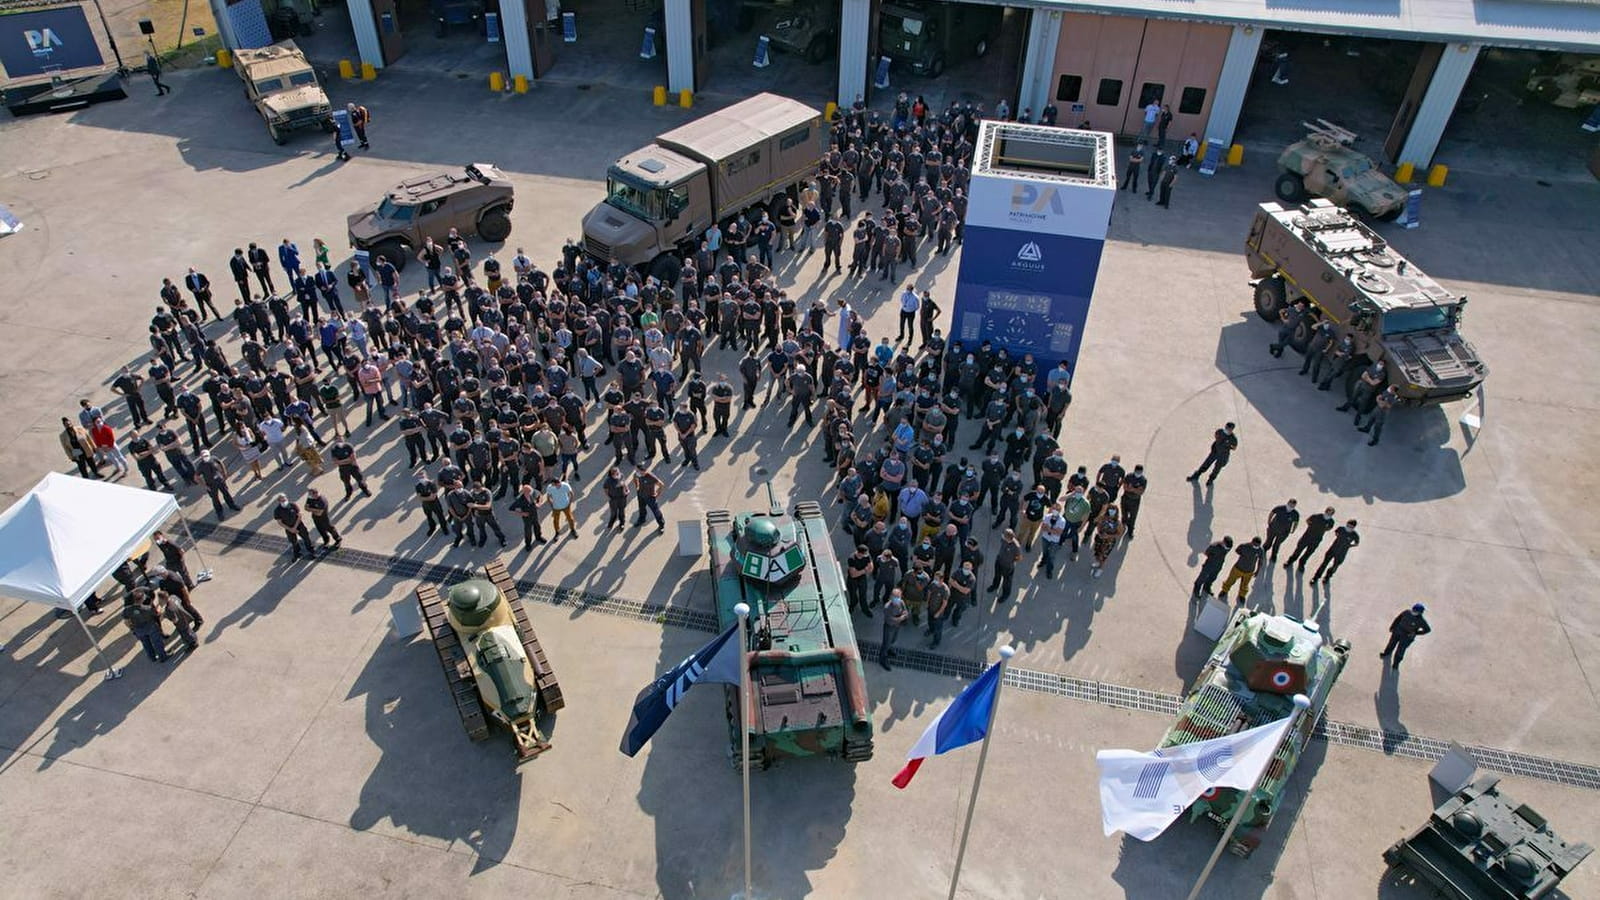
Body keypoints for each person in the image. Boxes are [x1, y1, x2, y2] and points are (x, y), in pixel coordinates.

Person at [1380, 604, 1431, 669]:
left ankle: (1396, 664)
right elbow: (1398, 619)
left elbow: (1428, 630)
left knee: (1400, 651)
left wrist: (1415, 633)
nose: (1413, 612)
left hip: (1407, 637)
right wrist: (1392, 627)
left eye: (1416, 612)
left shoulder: (1421, 621)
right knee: (1391, 643)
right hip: (1398, 631)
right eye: (1413, 610)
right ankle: (1386, 653)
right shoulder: (1406, 612)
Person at [123, 593, 168, 663]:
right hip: (151, 627)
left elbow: (126, 622)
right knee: (157, 642)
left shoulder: (127, 610)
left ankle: (152, 657)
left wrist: (132, 628)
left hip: (138, 630)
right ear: (140, 600)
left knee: (146, 643)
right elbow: (157, 614)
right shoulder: (147, 608)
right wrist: (160, 604)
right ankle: (163, 656)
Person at [1217, 536, 1264, 604]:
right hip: (1238, 568)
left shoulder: (1260, 550)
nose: (1256, 546)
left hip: (1249, 571)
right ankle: (1224, 590)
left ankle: (1242, 595)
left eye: (1258, 545)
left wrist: (1257, 571)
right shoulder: (1244, 546)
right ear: (1252, 542)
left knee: (1244, 585)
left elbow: (1260, 561)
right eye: (1255, 545)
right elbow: (1237, 550)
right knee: (1230, 580)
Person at [195, 450, 240, 519]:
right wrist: (205, 486)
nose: (205, 457)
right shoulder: (200, 466)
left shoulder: (213, 458)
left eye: (207, 456)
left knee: (226, 493)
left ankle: (232, 505)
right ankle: (219, 512)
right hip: (211, 485)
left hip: (220, 481)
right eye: (203, 456)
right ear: (201, 457)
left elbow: (220, 463)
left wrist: (224, 473)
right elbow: (196, 477)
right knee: (215, 499)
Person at [274, 494, 315, 561]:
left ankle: (310, 550)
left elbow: (299, 515)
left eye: (285, 500)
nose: (284, 502)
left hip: (298, 525)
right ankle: (297, 552)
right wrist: (290, 529)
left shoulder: (293, 505)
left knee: (306, 537)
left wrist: (295, 527)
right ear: (279, 501)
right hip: (288, 528)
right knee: (293, 541)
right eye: (282, 501)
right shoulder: (277, 510)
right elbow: (280, 522)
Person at [987, 528, 1023, 604]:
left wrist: (1012, 561)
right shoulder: (1003, 539)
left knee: (1007, 582)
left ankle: (1005, 594)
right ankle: (995, 585)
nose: (1002, 536)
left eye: (1004, 535)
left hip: (1008, 566)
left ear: (1009, 537)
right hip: (999, 561)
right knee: (997, 575)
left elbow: (1019, 558)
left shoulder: (1016, 546)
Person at [1089, 506, 1124, 577]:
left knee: (1103, 555)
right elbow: (1097, 523)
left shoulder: (1117, 523)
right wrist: (1099, 532)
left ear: (1116, 512)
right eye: (1110, 509)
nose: (1112, 511)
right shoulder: (1103, 517)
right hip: (1099, 538)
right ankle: (1097, 562)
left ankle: (1100, 568)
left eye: (1114, 510)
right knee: (1097, 552)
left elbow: (1119, 534)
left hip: (1109, 542)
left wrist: (1108, 536)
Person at [879, 588, 909, 671]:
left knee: (893, 639)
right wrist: (901, 618)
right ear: (891, 597)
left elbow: (905, 611)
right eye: (895, 596)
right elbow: (890, 619)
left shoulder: (901, 602)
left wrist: (904, 614)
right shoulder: (887, 607)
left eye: (898, 596)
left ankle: (889, 649)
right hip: (889, 627)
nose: (897, 598)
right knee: (886, 642)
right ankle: (883, 658)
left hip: (896, 626)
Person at [510, 483, 547, 550]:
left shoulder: (533, 492)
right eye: (530, 492)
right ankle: (528, 544)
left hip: (535, 514)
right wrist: (522, 513)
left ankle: (538, 537)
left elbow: (540, 495)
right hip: (527, 517)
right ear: (525, 492)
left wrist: (539, 503)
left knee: (537, 526)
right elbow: (511, 509)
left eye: (532, 491)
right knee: (528, 531)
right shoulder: (520, 500)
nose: (532, 493)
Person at [633, 464, 666, 532]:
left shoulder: (651, 477)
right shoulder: (637, 474)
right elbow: (634, 479)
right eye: (636, 470)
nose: (636, 472)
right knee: (641, 508)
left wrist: (657, 494)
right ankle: (642, 519)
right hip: (641, 495)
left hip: (650, 496)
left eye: (637, 471)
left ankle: (661, 524)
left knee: (656, 511)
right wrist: (637, 487)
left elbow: (661, 485)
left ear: (643, 471)